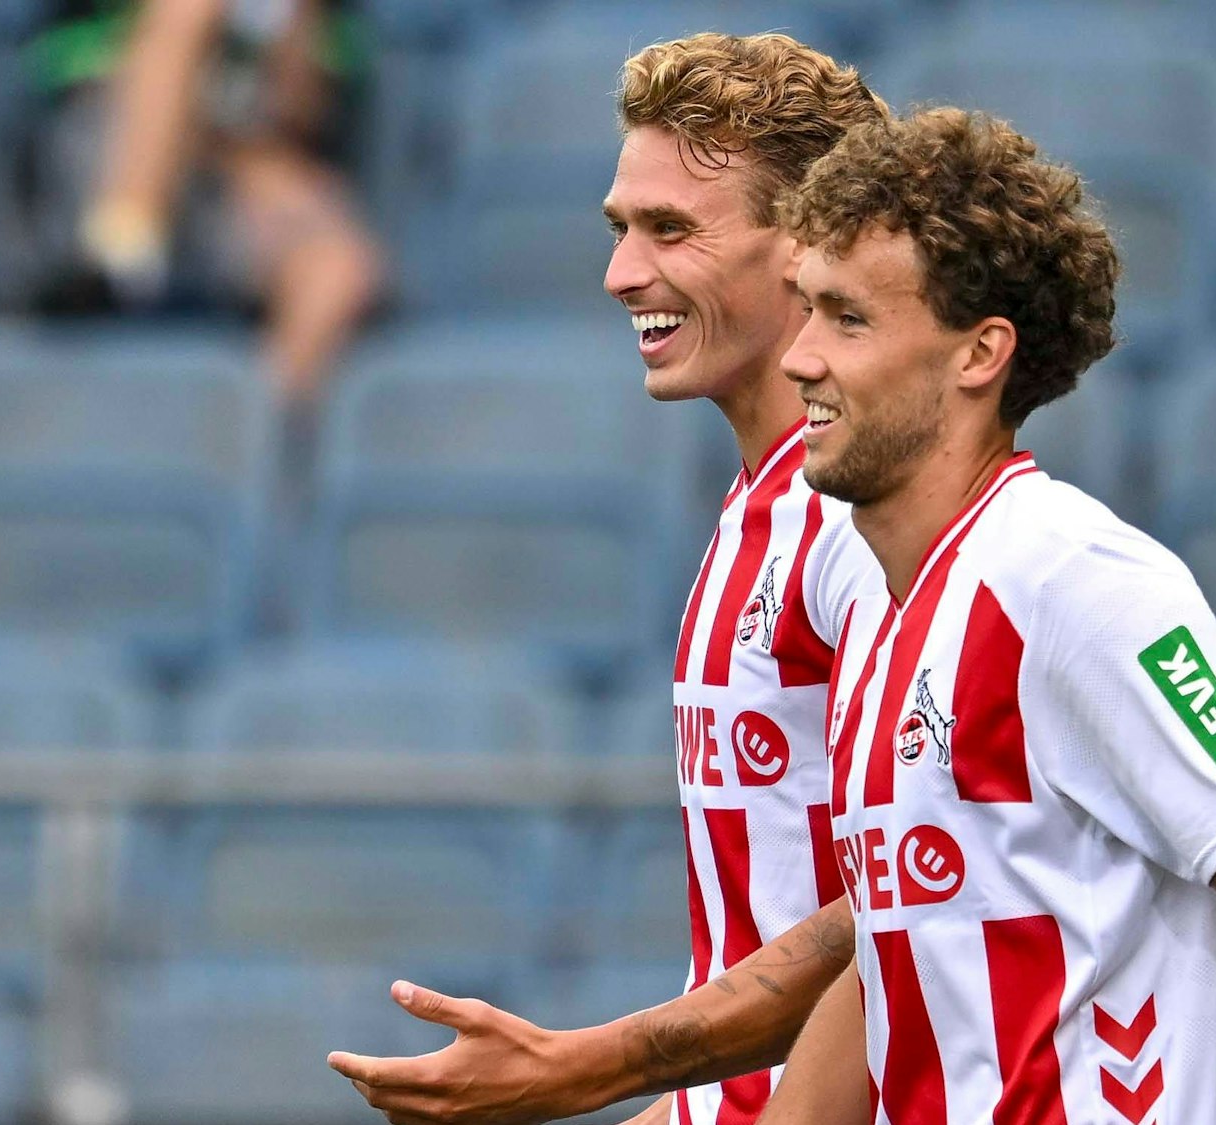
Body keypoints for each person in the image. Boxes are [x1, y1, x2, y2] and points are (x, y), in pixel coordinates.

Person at [753, 105, 1216, 1125]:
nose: (797, 357)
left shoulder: (1077, 580)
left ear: (979, 354)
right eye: (802, 310)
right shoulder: (884, 615)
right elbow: (891, 971)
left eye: (845, 319)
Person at [327, 33, 890, 1125]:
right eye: (619, 228)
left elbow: (901, 911)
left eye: (670, 229)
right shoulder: (761, 511)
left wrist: (587, 1064)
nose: (621, 273)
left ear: (807, 248)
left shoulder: (860, 527)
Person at [31, 0, 381, 405]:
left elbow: (299, 113)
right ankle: (121, 264)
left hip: (247, 159)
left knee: (338, 272)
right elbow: (69, 62)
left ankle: (239, 439)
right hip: (105, 146)